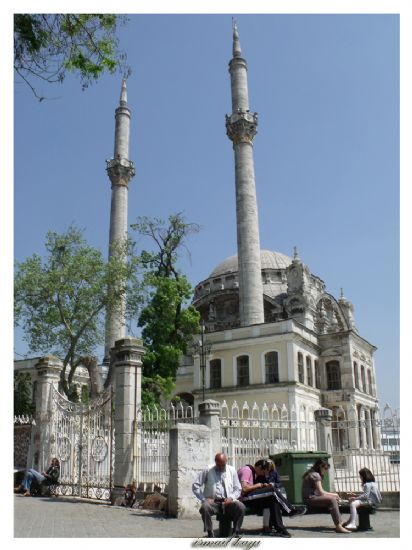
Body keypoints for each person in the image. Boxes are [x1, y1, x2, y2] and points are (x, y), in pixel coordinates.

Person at [192, 453, 245, 538]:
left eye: (222, 465)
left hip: (228, 502)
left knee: (240, 507)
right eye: (218, 465)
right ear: (215, 462)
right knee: (205, 507)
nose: (220, 467)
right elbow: (196, 486)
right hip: (213, 502)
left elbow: (238, 488)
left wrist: (231, 498)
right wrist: (203, 499)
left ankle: (236, 531)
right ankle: (210, 532)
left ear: (226, 461)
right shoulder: (208, 469)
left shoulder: (232, 470)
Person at [238, 459, 292, 537]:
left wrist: (263, 486)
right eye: (263, 472)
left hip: (249, 497)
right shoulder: (247, 470)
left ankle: (281, 529)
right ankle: (291, 510)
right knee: (272, 490)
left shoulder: (252, 472)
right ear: (259, 467)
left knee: (273, 499)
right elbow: (244, 489)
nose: (263, 474)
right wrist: (258, 485)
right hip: (243, 498)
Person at [302, 458, 350, 534]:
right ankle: (338, 526)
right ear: (320, 467)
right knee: (332, 500)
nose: (326, 470)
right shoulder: (315, 475)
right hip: (310, 499)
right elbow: (321, 492)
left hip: (311, 497)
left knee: (332, 498)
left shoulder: (312, 473)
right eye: (325, 468)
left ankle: (339, 522)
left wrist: (331, 495)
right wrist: (334, 494)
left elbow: (319, 492)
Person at [257, 459, 306, 532]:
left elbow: (280, 483)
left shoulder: (274, 473)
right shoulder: (261, 474)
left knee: (278, 506)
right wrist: (264, 485)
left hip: (278, 491)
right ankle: (267, 526)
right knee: (268, 508)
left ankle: (280, 524)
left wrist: (274, 484)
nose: (267, 470)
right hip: (267, 493)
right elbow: (258, 483)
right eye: (266, 468)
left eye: (268, 468)